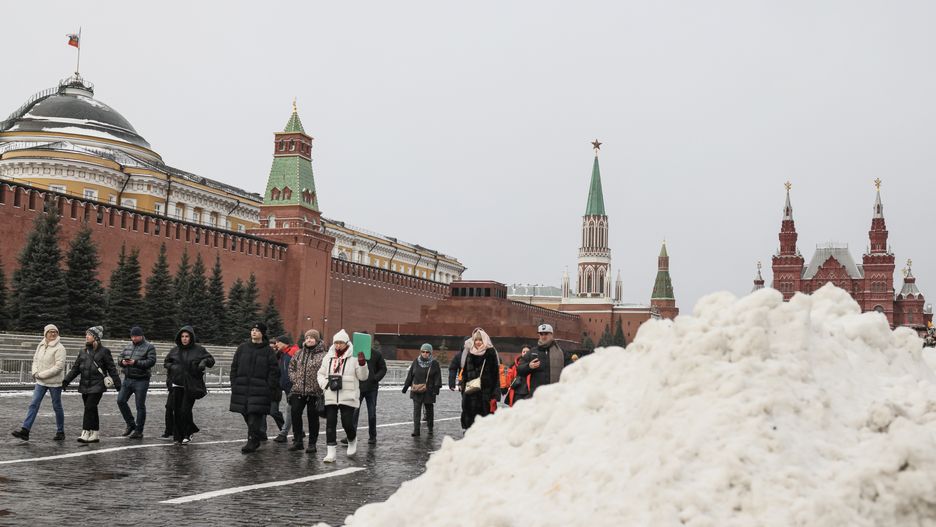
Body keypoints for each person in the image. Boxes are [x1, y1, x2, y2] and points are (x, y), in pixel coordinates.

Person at [62, 326, 121, 444]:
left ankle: (86, 431)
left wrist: (119, 385)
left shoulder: (104, 351)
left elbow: (112, 369)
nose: (86, 336)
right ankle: (95, 433)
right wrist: (66, 381)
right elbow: (75, 369)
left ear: (96, 338)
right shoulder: (82, 351)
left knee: (89, 407)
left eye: (89, 335)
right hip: (85, 384)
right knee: (91, 409)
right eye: (86, 334)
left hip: (98, 385)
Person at [317, 329, 368, 463]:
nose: (338, 345)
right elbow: (320, 374)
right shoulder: (328, 357)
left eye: (340, 343)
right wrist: (324, 384)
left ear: (347, 343)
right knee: (330, 423)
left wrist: (363, 364)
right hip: (331, 394)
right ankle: (331, 452)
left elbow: (363, 377)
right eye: (336, 343)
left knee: (347, 423)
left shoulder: (355, 357)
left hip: (348, 394)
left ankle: (352, 439)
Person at [229, 322, 279, 454]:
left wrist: (269, 387)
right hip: (242, 388)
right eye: (252, 330)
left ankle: (252, 441)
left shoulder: (268, 351)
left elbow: (274, 371)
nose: (254, 332)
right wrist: (234, 383)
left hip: (260, 390)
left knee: (253, 416)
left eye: (257, 330)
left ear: (262, 333)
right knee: (245, 413)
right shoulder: (242, 348)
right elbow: (234, 367)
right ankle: (257, 435)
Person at [12, 325, 67, 441]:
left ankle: (60, 432)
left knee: (57, 407)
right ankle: (25, 430)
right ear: (45, 333)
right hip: (40, 382)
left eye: (55, 332)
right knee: (33, 404)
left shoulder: (60, 348)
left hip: (54, 383)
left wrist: (41, 375)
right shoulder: (41, 345)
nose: (53, 334)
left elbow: (59, 367)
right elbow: (35, 360)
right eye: (50, 332)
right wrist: (35, 372)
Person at [164, 326, 214, 445]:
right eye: (182, 336)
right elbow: (166, 362)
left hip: (190, 385)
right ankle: (177, 436)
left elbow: (211, 360)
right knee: (176, 411)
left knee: (185, 411)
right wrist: (172, 367)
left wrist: (203, 362)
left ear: (191, 337)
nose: (184, 339)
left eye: (187, 336)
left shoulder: (199, 350)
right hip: (176, 384)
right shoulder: (174, 350)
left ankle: (187, 433)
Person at [287, 329, 326, 453]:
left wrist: (321, 384)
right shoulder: (298, 353)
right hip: (298, 390)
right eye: (307, 337)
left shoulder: (324, 355)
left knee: (313, 418)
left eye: (312, 338)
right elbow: (291, 367)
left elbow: (326, 371)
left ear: (317, 339)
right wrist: (295, 379)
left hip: (315, 392)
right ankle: (298, 441)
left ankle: (312, 444)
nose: (309, 340)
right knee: (295, 415)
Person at [116, 326, 157, 439]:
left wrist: (135, 362)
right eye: (132, 336)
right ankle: (131, 424)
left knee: (140, 406)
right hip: (128, 379)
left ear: (141, 336)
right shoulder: (128, 346)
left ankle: (139, 430)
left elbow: (151, 361)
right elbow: (119, 357)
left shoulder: (149, 347)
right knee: (120, 400)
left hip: (141, 380)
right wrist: (122, 362)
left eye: (135, 336)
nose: (133, 338)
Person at [346, 333, 387, 445]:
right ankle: (351, 436)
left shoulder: (376, 354)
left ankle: (372, 436)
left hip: (371, 388)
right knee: (353, 413)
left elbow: (383, 369)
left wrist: (375, 378)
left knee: (372, 413)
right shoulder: (353, 354)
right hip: (357, 387)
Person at [459, 328, 500, 429]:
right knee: (469, 418)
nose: (478, 342)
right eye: (476, 340)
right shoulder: (470, 353)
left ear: (485, 340)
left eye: (480, 340)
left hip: (485, 394)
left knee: (483, 421)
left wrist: (494, 394)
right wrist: (463, 388)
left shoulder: (490, 354)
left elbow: (495, 375)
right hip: (470, 393)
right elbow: (464, 373)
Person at [516, 324, 573, 396]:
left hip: (556, 395)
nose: (543, 336)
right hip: (537, 396)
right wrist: (529, 366)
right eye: (541, 334)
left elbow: (572, 370)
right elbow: (519, 369)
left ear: (551, 335)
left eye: (546, 334)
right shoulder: (533, 352)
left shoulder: (562, 353)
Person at [402, 343, 442, 436]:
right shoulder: (416, 361)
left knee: (429, 411)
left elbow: (437, 377)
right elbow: (411, 375)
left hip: (429, 391)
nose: (425, 353)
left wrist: (436, 388)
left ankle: (430, 427)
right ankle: (416, 430)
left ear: (430, 353)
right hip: (416, 390)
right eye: (423, 351)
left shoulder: (434, 363)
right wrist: (406, 386)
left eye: (427, 352)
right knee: (416, 411)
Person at [271, 334, 299, 443]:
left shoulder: (293, 352)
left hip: (294, 388)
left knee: (291, 410)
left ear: (284, 343)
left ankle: (284, 433)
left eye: (278, 342)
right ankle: (298, 433)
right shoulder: (282, 354)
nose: (276, 344)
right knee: (293, 411)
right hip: (288, 388)